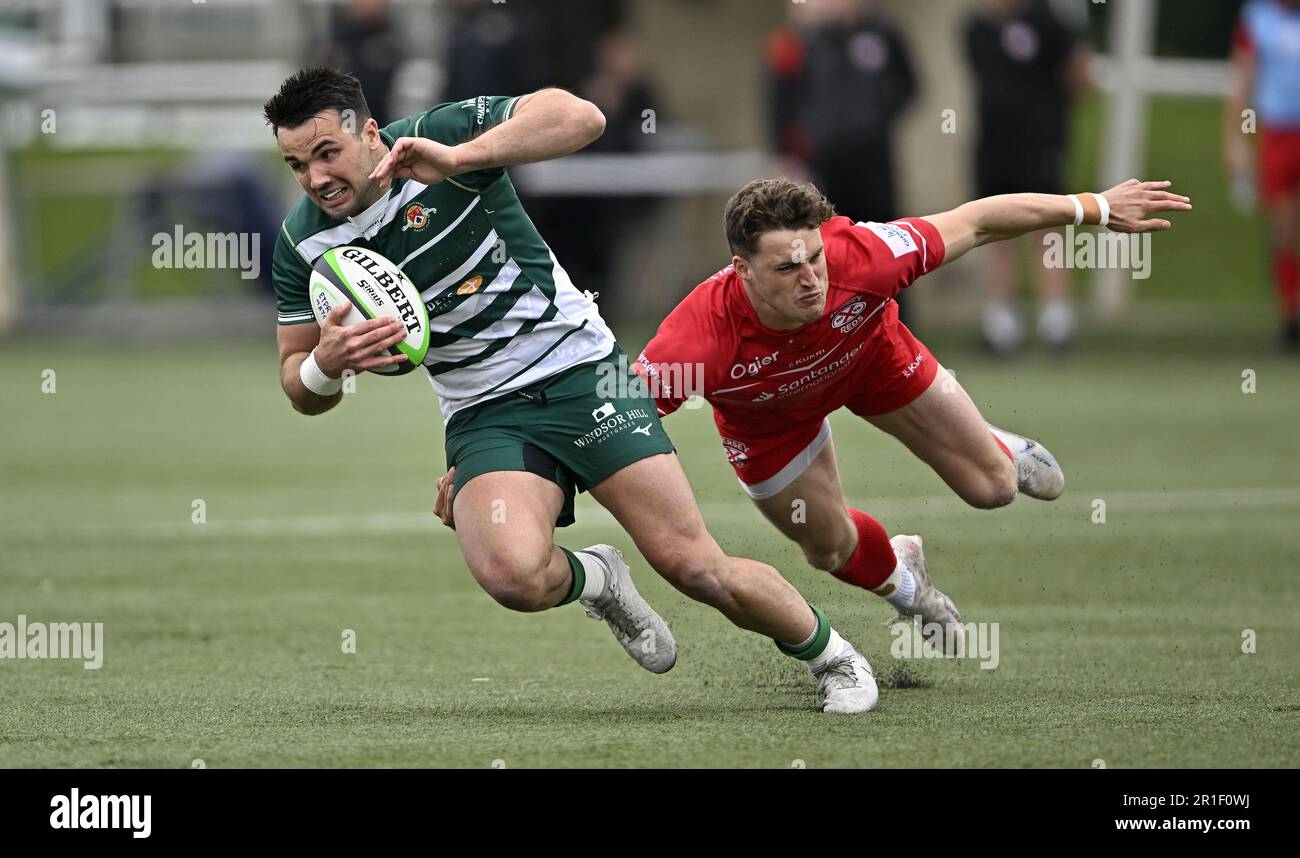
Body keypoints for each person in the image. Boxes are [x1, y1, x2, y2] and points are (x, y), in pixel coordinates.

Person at [265, 67, 885, 714]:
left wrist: (462, 158)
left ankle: (832, 656)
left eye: (326, 153)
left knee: (692, 565)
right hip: (483, 411)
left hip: (583, 373)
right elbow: (298, 385)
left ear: (368, 132)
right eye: (296, 164)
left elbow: (582, 117)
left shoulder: (437, 137)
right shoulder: (301, 243)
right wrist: (325, 367)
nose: (315, 178)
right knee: (513, 576)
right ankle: (598, 578)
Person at [439, 178, 1190, 651]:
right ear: (741, 270)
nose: (809, 278)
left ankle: (989, 440)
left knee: (995, 488)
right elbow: (606, 425)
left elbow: (980, 221)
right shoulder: (694, 341)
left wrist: (1093, 207)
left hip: (873, 362)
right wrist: (490, 479)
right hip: (770, 424)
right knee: (827, 550)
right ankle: (908, 583)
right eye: (786, 267)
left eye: (813, 261)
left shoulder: (862, 254)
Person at [965, 0, 1091, 354]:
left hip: (1041, 144)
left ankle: (1056, 321)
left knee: (1047, 225)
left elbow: (1079, 77)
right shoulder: (976, 29)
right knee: (994, 228)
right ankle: (1003, 323)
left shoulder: (1052, 23)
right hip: (993, 145)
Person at [1227, 0, 1300, 351]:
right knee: (1283, 229)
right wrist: (1237, 140)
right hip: (1278, 133)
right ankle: (1290, 314)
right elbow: (1244, 79)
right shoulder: (1257, 18)